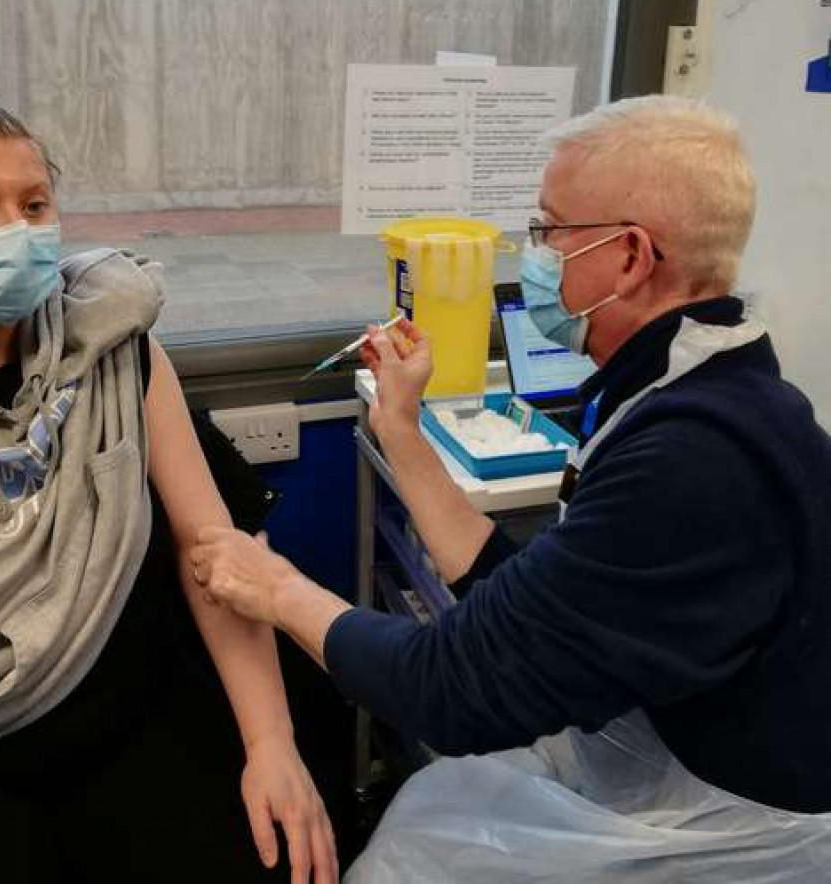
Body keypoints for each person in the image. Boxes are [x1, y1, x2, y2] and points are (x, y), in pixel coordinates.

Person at [193, 95, 831, 879]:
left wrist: (278, 589)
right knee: (432, 820)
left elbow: (447, 689)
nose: (534, 254)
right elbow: (527, 598)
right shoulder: (692, 382)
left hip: (733, 827)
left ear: (630, 255)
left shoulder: (693, 458)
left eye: (550, 230)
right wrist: (400, 424)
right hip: (670, 755)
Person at [0, 97, 336, 884]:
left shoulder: (115, 346)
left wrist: (273, 748)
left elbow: (214, 553)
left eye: (34, 205)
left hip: (120, 702)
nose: (16, 231)